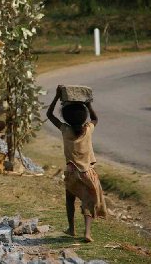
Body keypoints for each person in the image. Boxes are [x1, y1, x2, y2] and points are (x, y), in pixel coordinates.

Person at [47, 85, 107, 243]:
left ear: (66, 117)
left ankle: (71, 228)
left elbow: (49, 114)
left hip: (71, 172)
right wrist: (88, 104)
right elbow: (95, 119)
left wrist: (56, 96)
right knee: (88, 201)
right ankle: (87, 233)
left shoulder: (65, 130)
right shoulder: (88, 129)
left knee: (70, 199)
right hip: (87, 172)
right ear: (83, 117)